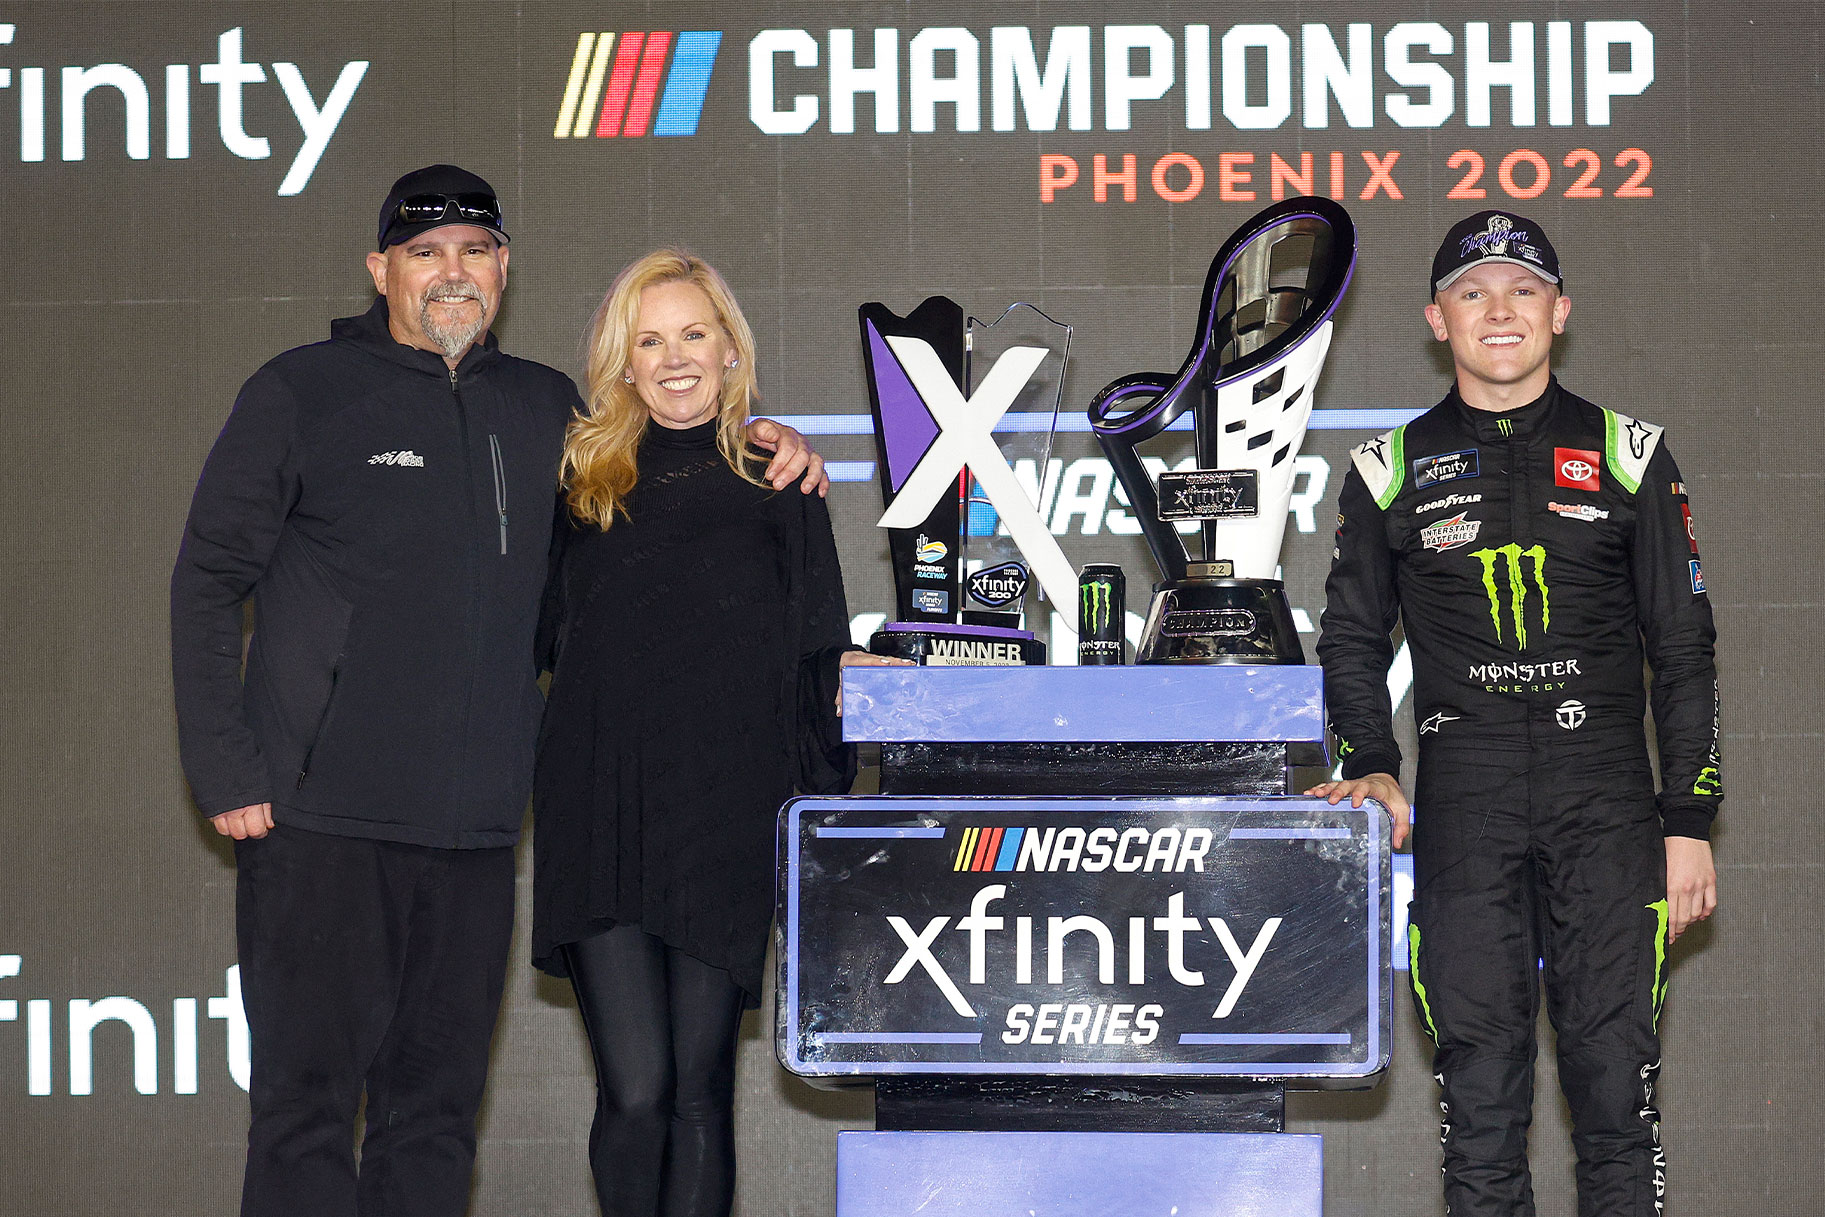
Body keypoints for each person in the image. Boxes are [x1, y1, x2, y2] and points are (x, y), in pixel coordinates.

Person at [170, 167, 826, 1217]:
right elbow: (208, 577)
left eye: (474, 250)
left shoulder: (545, 415)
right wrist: (226, 767)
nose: (451, 272)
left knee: (432, 1119)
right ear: (380, 268)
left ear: (505, 269)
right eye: (425, 252)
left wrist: (775, 439)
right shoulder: (300, 389)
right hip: (317, 821)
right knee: (303, 1113)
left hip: (474, 833)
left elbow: (669, 485)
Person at [1309, 210, 1721, 1217]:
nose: (1500, 309)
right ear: (1436, 319)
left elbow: (1682, 647)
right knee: (1480, 1104)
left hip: (1610, 803)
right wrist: (1371, 756)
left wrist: (1686, 821)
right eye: (1473, 292)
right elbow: (1352, 637)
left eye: (1523, 289)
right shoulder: (1386, 467)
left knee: (1615, 1094)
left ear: (1559, 311)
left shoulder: (1631, 453)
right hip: (1467, 800)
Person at [531, 249, 902, 1217]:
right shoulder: (578, 483)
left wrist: (848, 675)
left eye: (694, 333)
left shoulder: (782, 483)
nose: (675, 357)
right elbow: (532, 638)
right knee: (638, 1088)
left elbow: (816, 644)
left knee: (699, 1096)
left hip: (724, 818)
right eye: (649, 340)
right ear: (623, 363)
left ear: (732, 351)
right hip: (601, 812)